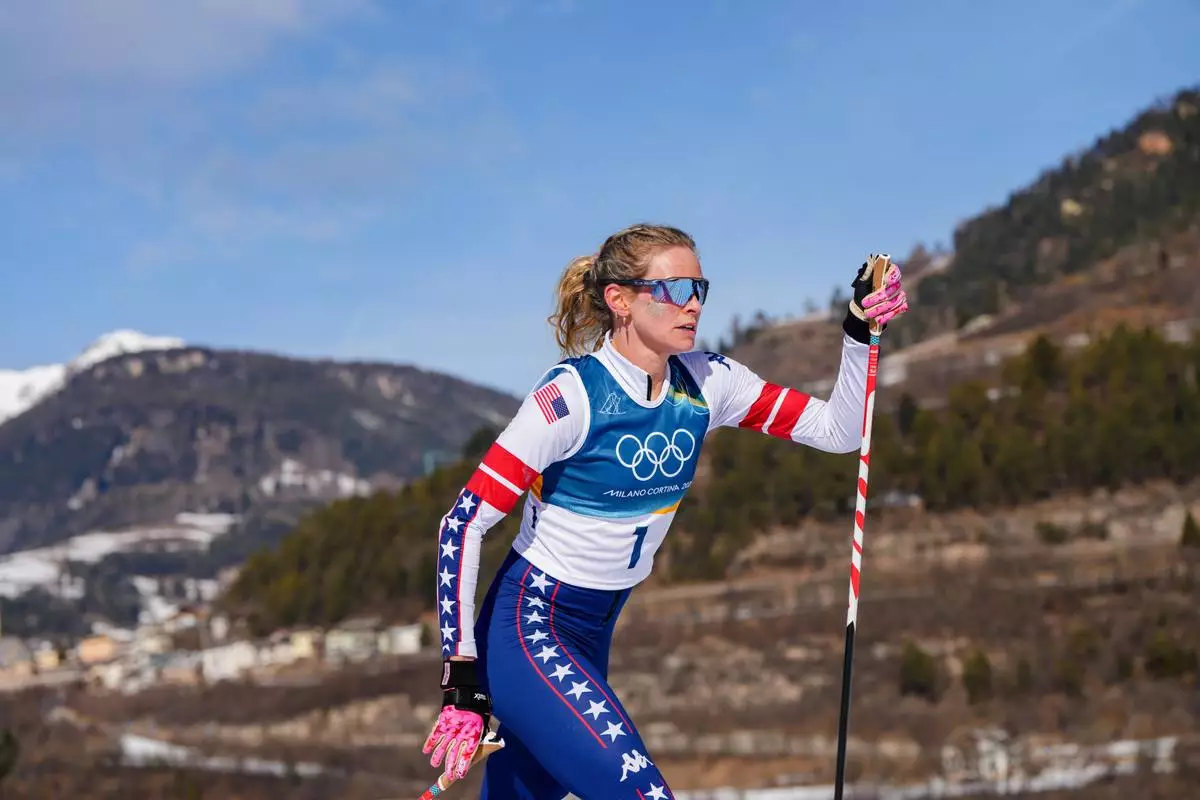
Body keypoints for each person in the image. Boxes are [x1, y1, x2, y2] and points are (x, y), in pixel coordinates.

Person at [422, 223, 909, 798]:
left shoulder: (707, 383)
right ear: (620, 299)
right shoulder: (570, 399)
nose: (693, 304)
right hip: (528, 629)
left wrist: (858, 330)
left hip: (592, 631)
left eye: (700, 288)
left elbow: (839, 430)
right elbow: (462, 523)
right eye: (675, 288)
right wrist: (462, 678)